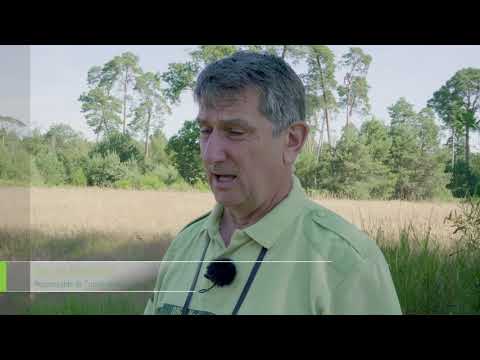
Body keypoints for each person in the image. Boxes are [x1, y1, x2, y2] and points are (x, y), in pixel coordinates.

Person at [144, 51, 402, 315]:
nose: (212, 154)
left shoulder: (345, 263)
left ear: (292, 140)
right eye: (205, 131)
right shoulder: (185, 244)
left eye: (235, 132)